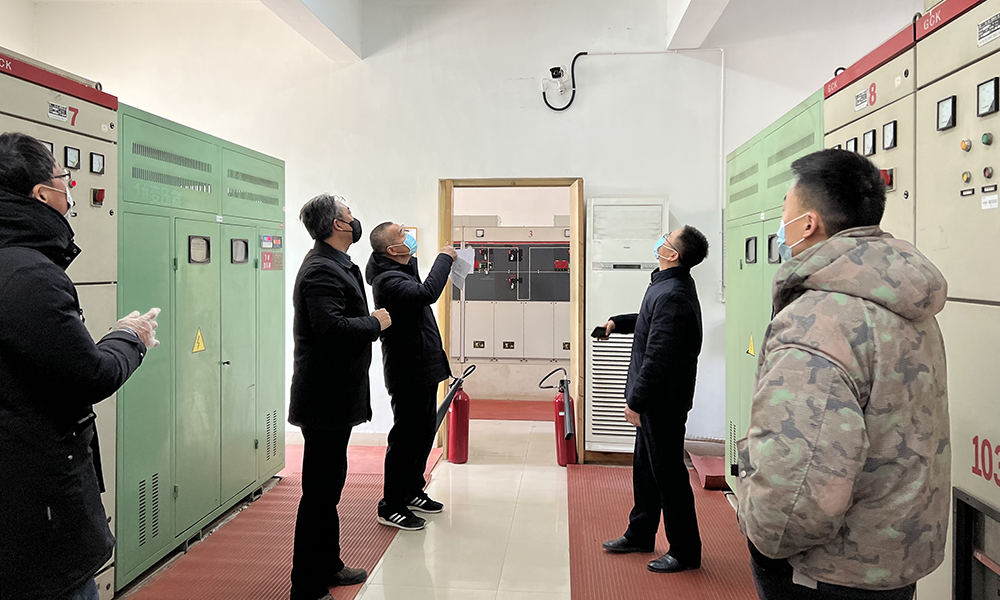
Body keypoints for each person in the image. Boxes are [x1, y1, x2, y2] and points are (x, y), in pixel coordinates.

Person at [736, 149, 949, 600]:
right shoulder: (905, 301)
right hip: (895, 556)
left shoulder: (818, 322)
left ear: (808, 224)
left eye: (785, 212)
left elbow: (797, 485)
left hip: (830, 571)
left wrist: (763, 539)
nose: (781, 225)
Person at [0, 132, 159, 600]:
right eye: (64, 179)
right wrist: (130, 336)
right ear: (42, 194)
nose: (70, 191)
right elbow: (90, 375)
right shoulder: (31, 275)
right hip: (39, 510)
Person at [288, 193, 392, 600]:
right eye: (349, 216)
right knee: (318, 494)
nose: (354, 221)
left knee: (329, 487)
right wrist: (375, 323)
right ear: (336, 225)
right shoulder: (321, 270)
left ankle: (328, 564)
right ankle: (307, 586)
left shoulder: (337, 264)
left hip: (337, 396)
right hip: (323, 399)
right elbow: (330, 330)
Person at [599, 225, 710, 574]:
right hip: (655, 401)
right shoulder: (666, 286)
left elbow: (659, 357)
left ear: (672, 254)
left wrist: (636, 401)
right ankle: (640, 533)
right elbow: (651, 323)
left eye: (667, 238)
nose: (661, 239)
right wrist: (618, 322)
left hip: (662, 404)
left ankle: (685, 551)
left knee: (669, 477)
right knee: (646, 471)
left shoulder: (673, 293)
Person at [365, 222, 456, 531]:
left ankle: (413, 491)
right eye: (402, 235)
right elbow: (428, 292)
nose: (409, 237)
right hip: (408, 370)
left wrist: (412, 260)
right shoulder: (387, 280)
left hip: (424, 365)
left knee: (424, 433)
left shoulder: (401, 271)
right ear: (392, 250)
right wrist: (445, 258)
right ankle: (391, 505)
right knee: (406, 438)